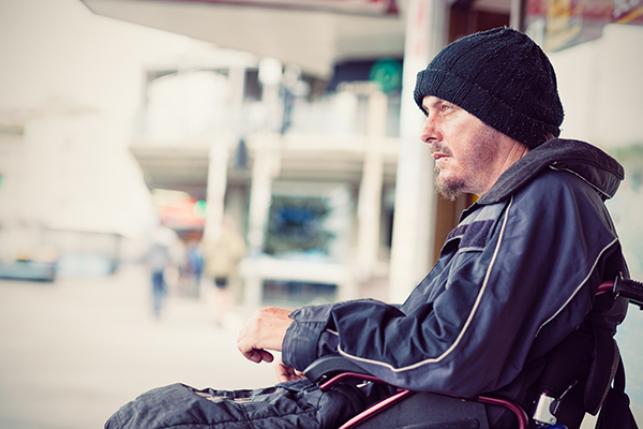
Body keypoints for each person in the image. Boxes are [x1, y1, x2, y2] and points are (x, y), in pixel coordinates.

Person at [106, 27, 630, 429]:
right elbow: (436, 338)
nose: (427, 131)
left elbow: (450, 354)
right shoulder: (530, 201)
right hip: (391, 406)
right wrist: (317, 345)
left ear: (500, 115)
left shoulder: (542, 199)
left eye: (444, 109)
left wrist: (302, 334)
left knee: (157, 418)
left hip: (408, 413)